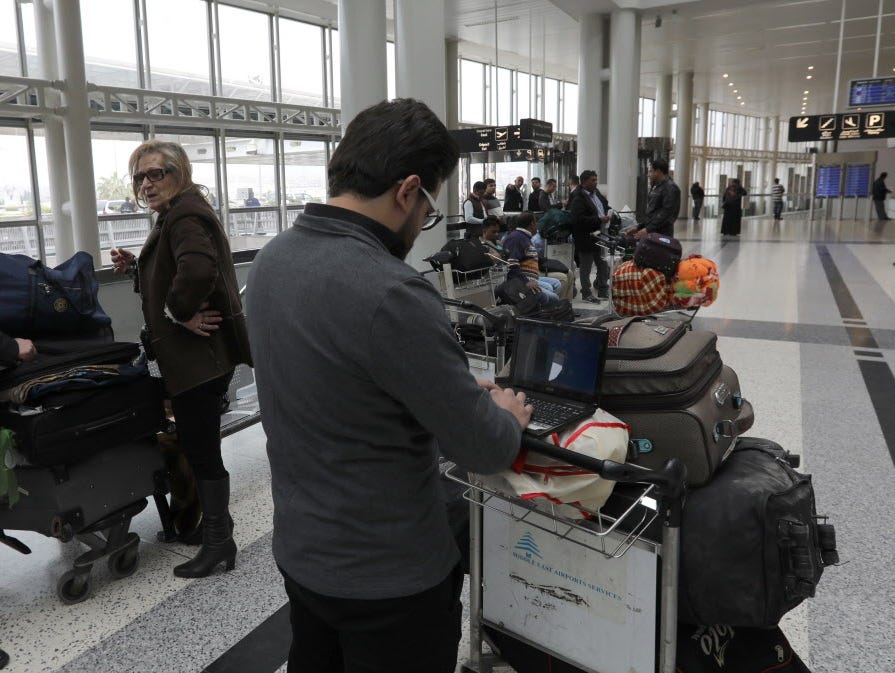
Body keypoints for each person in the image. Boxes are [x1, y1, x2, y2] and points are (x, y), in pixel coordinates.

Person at [244, 98, 530, 673]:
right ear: (408, 190)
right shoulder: (390, 291)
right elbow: (482, 447)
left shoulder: (270, 260)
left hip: (303, 551)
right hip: (388, 576)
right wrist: (505, 415)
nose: (420, 225)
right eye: (426, 210)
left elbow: (335, 387)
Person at [110, 140, 252, 579]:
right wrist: (139, 267)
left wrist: (179, 312)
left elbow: (198, 268)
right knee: (196, 444)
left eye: (157, 174)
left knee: (202, 450)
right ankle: (214, 529)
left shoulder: (185, 214)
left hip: (198, 361)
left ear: (180, 173)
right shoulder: (175, 214)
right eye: (140, 177)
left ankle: (218, 542)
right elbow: (177, 269)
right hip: (194, 360)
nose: (147, 183)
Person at [569, 169, 611, 303]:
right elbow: (579, 220)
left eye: (596, 179)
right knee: (586, 267)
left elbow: (604, 205)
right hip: (585, 237)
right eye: (593, 180)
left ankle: (603, 290)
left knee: (602, 264)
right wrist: (599, 219)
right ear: (584, 182)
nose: (595, 182)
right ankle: (586, 293)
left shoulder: (596, 193)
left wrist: (610, 212)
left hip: (599, 235)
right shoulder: (578, 197)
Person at [502, 211, 561, 305]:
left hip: (531, 277)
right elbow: (512, 264)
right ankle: (546, 312)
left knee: (556, 283)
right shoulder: (516, 238)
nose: (537, 226)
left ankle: (548, 310)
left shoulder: (525, 237)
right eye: (536, 222)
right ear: (532, 223)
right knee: (554, 297)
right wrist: (526, 282)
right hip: (522, 280)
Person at [635, 157, 680, 240]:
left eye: (651, 171)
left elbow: (666, 214)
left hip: (662, 236)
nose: (648, 174)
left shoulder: (670, 188)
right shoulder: (658, 187)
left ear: (658, 172)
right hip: (653, 234)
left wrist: (648, 229)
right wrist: (639, 227)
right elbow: (653, 213)